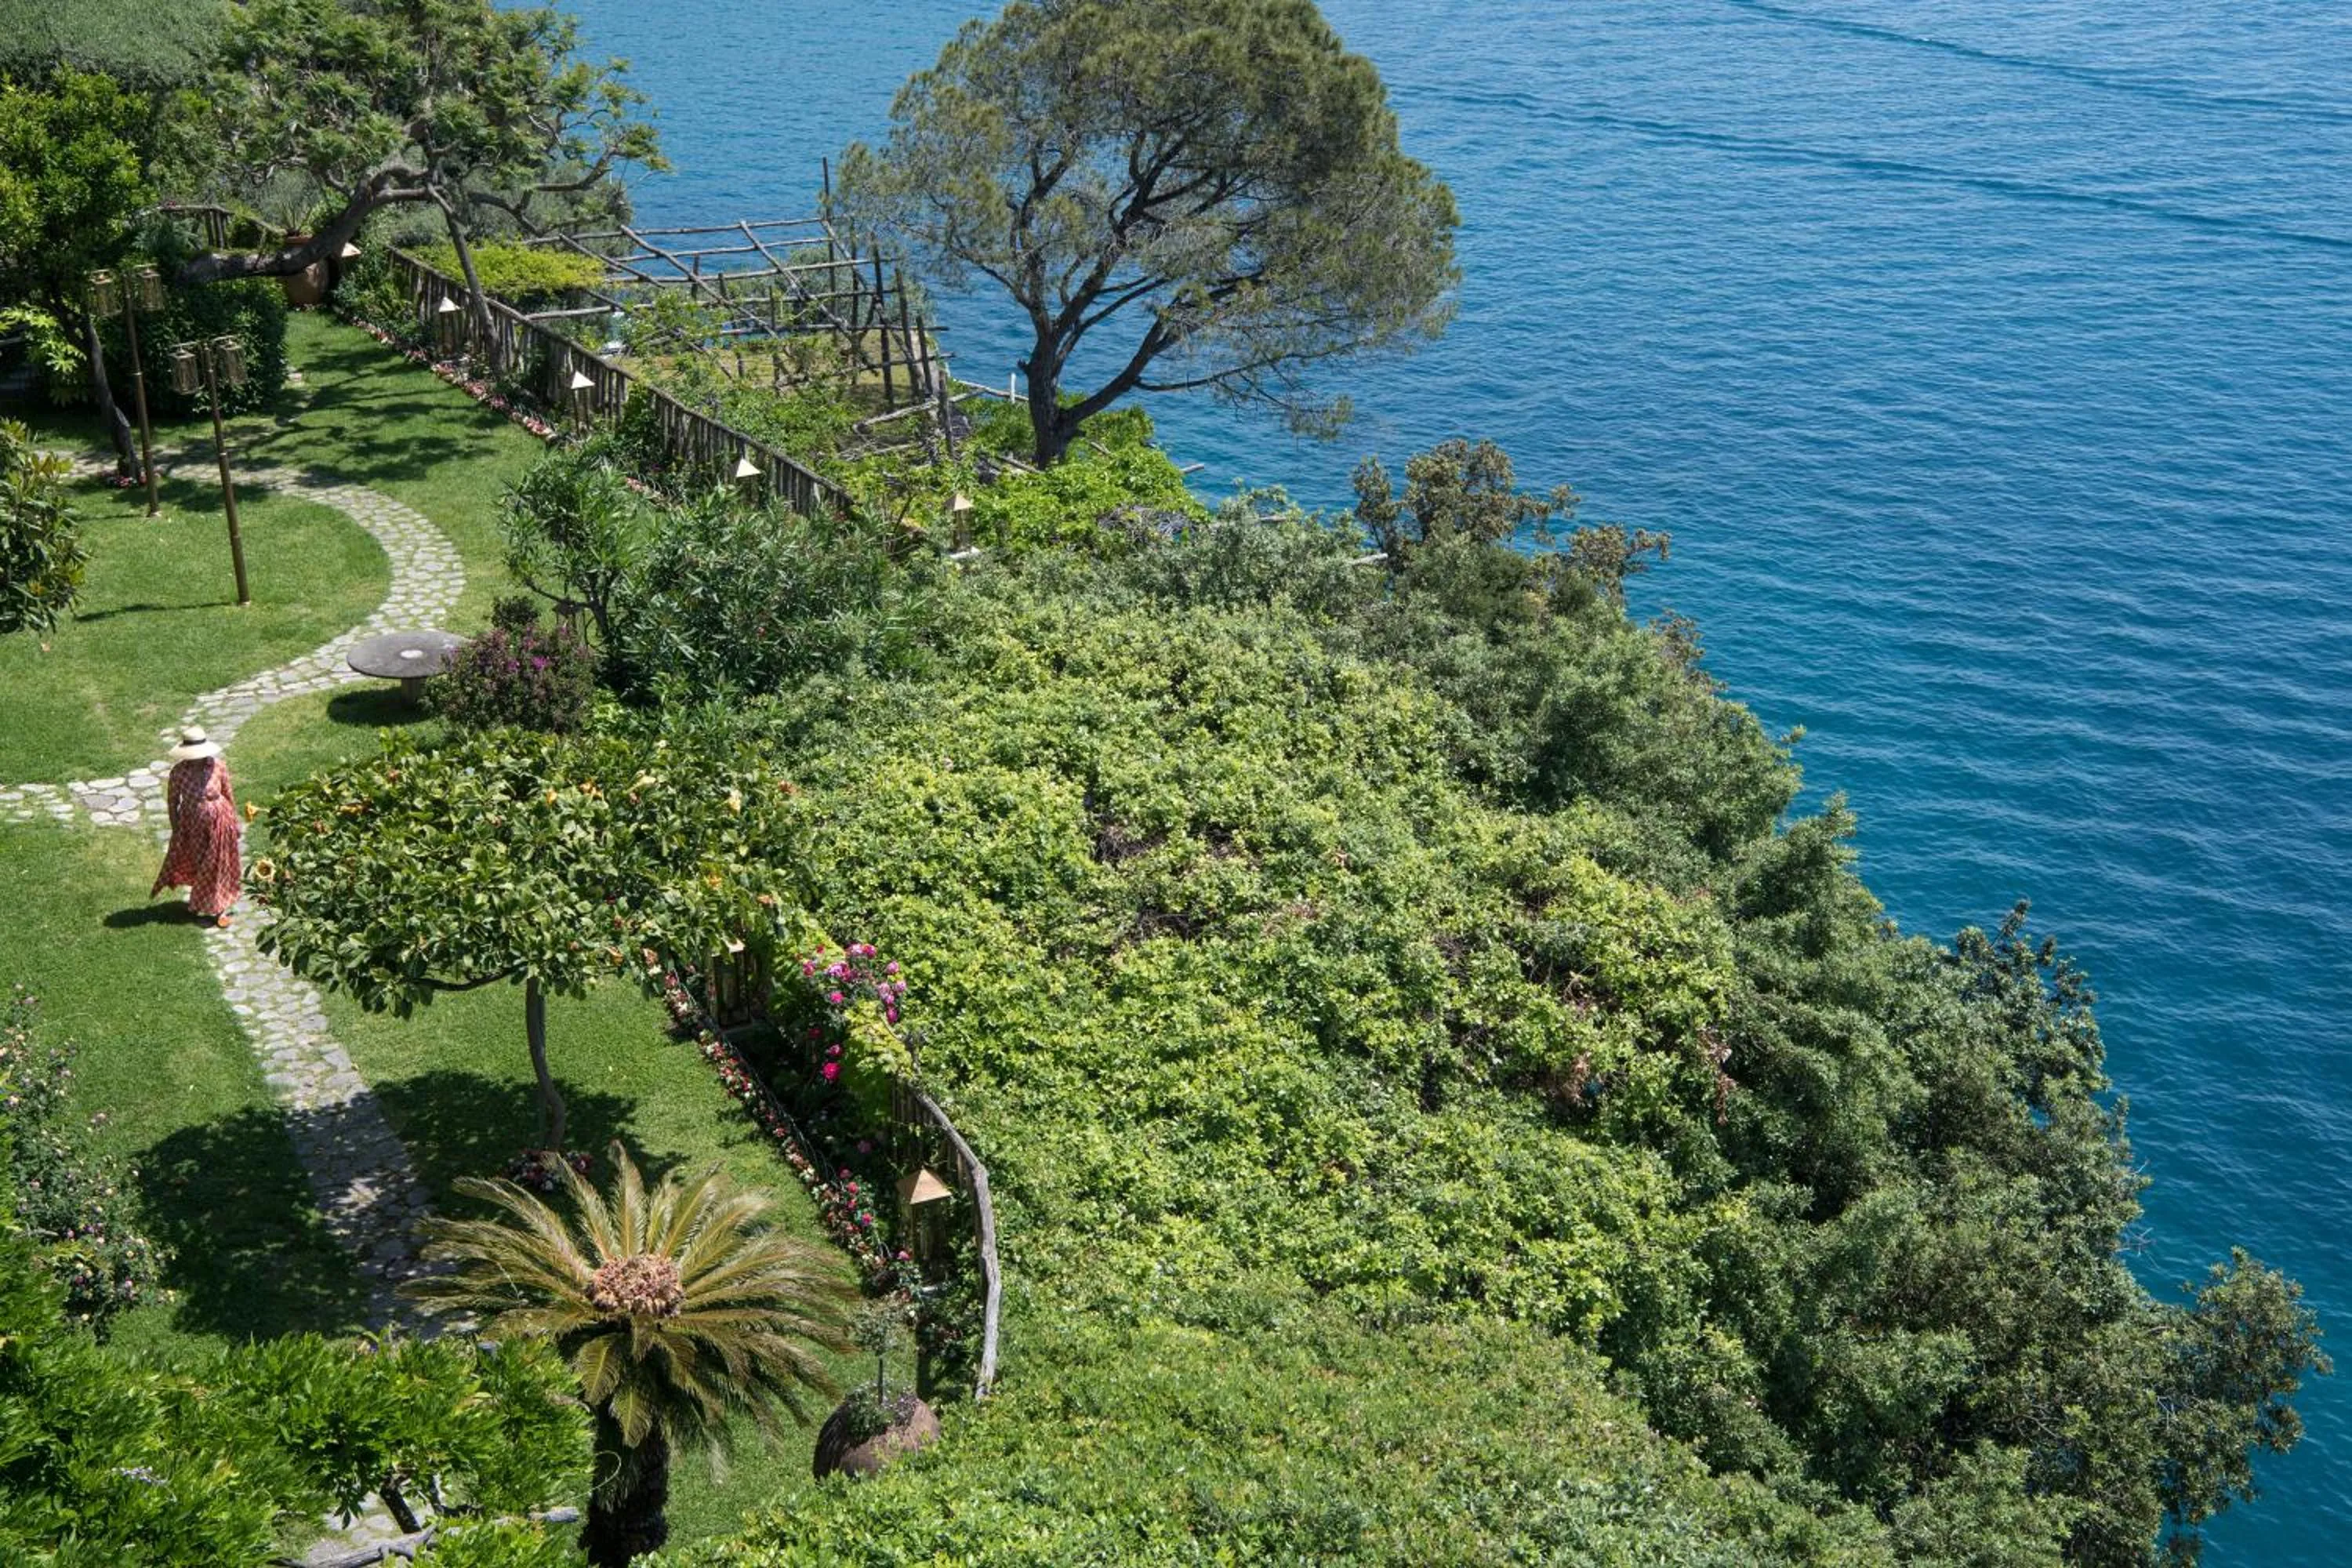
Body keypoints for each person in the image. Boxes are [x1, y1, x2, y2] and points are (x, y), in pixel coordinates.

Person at [151, 726, 241, 926]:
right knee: (203, 863)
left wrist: (235, 821)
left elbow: (228, 794)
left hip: (221, 820)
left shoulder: (218, 766)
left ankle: (219, 907)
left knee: (219, 863)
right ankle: (204, 904)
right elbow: (173, 801)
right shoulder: (179, 773)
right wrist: (176, 828)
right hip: (193, 825)